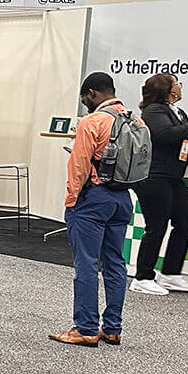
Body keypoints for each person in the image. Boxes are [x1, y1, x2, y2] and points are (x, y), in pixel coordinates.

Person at [51, 72, 140, 348]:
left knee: (86, 263)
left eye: (85, 100)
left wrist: (72, 200)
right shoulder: (137, 121)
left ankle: (86, 328)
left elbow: (78, 165)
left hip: (93, 198)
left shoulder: (92, 122)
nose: (85, 105)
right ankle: (112, 329)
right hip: (123, 198)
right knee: (115, 263)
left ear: (92, 94)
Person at [133, 73, 188, 296]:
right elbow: (165, 135)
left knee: (185, 222)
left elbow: (185, 141)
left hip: (174, 177)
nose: (180, 86)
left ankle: (170, 273)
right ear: (167, 89)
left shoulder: (178, 112)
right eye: (177, 83)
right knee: (156, 226)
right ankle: (142, 277)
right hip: (154, 176)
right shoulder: (153, 111)